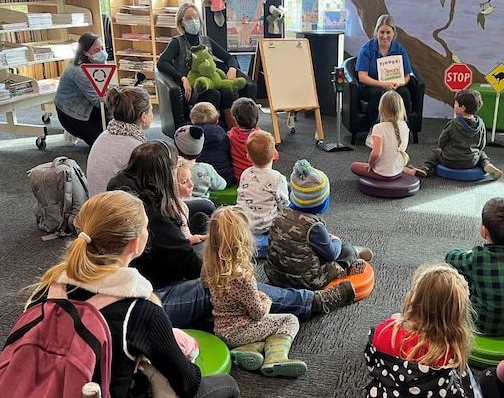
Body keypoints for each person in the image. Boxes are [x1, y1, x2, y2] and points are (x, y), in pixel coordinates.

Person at [106, 141, 355, 329]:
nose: (179, 171)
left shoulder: (124, 187)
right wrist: (227, 260)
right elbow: (195, 268)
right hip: (152, 299)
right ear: (162, 176)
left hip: (148, 276)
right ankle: (311, 302)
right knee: (227, 282)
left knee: (203, 208)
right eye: (174, 168)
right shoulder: (151, 219)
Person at [24, 190, 240, 398]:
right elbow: (188, 384)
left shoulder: (46, 290)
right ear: (135, 244)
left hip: (41, 396)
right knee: (227, 387)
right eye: (147, 226)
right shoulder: (141, 312)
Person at [202, 206, 308, 378]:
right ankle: (275, 357)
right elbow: (258, 314)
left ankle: (250, 349)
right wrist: (266, 300)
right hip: (240, 331)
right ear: (244, 239)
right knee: (289, 320)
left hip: (221, 329)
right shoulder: (243, 277)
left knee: (267, 328)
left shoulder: (210, 267)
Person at [363, 263, 477, 398]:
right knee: (464, 375)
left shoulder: (383, 331)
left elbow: (371, 362)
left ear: (413, 298)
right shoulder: (449, 347)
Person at [265, 159, 373, 290]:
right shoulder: (314, 227)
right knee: (346, 250)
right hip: (305, 282)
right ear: (322, 201)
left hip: (274, 276)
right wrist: (336, 241)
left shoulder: (280, 214)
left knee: (309, 249)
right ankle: (351, 258)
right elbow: (332, 254)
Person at [445, 197, 504, 337]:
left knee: (459, 274)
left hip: (482, 325)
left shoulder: (477, 257)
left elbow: (450, 257)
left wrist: (469, 252)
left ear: (484, 230)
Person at [156, 2, 251, 129]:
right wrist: (182, 78)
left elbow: (229, 58)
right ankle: (208, 134)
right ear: (181, 22)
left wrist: (232, 68)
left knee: (226, 92)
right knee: (214, 94)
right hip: (192, 89)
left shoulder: (206, 41)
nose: (193, 21)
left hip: (211, 83)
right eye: (188, 18)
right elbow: (161, 63)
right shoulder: (177, 43)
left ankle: (233, 132)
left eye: (195, 17)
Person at [415, 88, 502, 180]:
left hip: (450, 160)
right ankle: (486, 164)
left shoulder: (454, 123)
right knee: (482, 154)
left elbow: (442, 141)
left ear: (463, 108)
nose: (454, 105)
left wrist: (446, 151)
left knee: (436, 152)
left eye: (456, 103)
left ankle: (426, 167)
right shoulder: (481, 124)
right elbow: (482, 145)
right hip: (471, 161)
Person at [85, 85, 152, 197]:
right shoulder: (137, 147)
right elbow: (152, 186)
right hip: (117, 209)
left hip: (95, 204)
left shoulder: (104, 135)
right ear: (143, 117)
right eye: (151, 110)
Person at [355, 14, 413, 129]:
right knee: (378, 93)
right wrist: (383, 84)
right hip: (371, 86)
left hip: (394, 85)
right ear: (377, 32)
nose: (385, 36)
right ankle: (373, 130)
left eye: (388, 32)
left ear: (393, 33)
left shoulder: (399, 49)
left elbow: (407, 76)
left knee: (404, 92)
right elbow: (362, 76)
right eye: (382, 32)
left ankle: (402, 129)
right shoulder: (367, 49)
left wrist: (399, 83)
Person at [350, 91, 420, 180]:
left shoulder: (378, 128)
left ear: (381, 108)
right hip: (397, 171)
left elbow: (376, 153)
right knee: (392, 160)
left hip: (383, 174)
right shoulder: (404, 125)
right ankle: (405, 170)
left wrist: (370, 164)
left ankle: (404, 170)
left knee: (354, 166)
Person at [54, 32, 107, 146]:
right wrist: (121, 99)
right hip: (71, 114)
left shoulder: (93, 64)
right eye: (96, 50)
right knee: (102, 143)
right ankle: (72, 131)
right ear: (85, 52)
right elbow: (98, 101)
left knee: (114, 130)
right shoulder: (80, 71)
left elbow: (102, 92)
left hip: (87, 106)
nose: (102, 53)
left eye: (102, 48)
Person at [236, 130, 288, 236]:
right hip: (267, 228)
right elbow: (284, 206)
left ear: (248, 157)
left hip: (243, 224)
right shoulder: (278, 178)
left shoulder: (245, 173)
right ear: (275, 155)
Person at [228, 97, 278, 182]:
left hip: (239, 178)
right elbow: (275, 156)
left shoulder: (230, 136)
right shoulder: (263, 137)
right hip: (262, 177)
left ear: (235, 119)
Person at [175, 124, 227, 198]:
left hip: (182, 204)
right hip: (204, 205)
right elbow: (221, 185)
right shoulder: (207, 168)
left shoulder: (174, 170)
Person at [191, 102, 234, 184]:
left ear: (192, 120)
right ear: (216, 121)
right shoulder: (222, 133)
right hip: (225, 177)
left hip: (199, 178)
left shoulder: (189, 135)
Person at [175, 159, 208, 245]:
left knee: (201, 217)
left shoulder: (180, 204)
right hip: (182, 247)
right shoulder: (174, 208)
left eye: (190, 179)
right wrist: (190, 240)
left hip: (186, 239)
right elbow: (173, 243)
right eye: (185, 182)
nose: (191, 185)